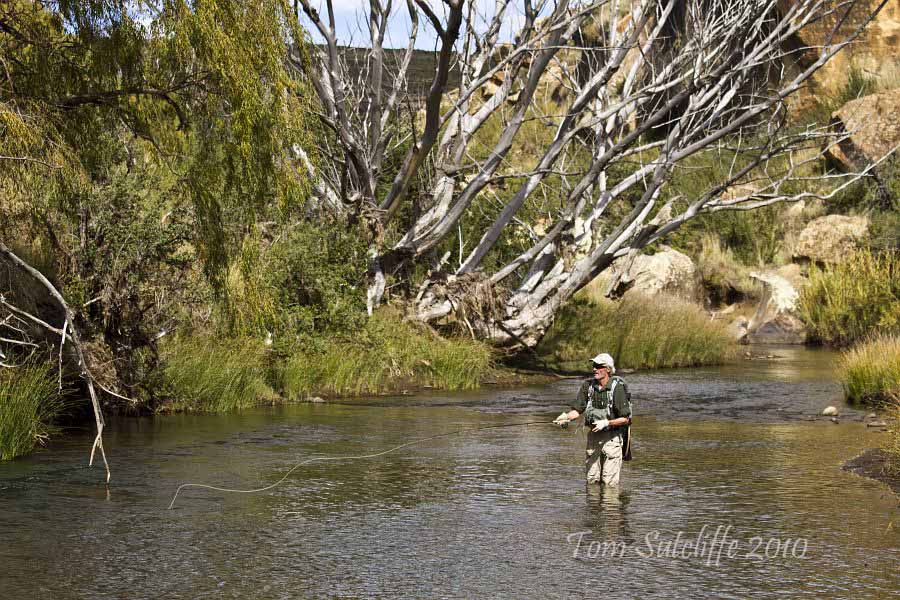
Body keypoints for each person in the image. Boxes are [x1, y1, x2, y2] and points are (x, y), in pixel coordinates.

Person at [554, 353, 632, 486]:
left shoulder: (617, 388)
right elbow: (577, 411)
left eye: (599, 366)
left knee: (609, 483)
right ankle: (593, 500)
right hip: (593, 437)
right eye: (594, 366)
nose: (594, 369)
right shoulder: (587, 386)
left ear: (608, 369)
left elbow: (625, 419)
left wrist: (606, 422)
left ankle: (609, 500)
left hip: (612, 438)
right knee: (591, 481)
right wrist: (566, 417)